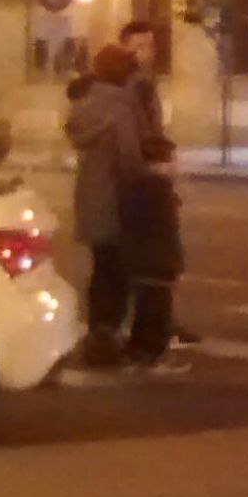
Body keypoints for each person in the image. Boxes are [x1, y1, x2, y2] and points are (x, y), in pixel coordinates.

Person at [119, 20, 201, 348]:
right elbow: (141, 135)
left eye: (150, 46)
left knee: (150, 260)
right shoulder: (133, 86)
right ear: (124, 48)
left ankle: (159, 324)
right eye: (138, 47)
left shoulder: (141, 84)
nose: (146, 53)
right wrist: (159, 165)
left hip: (149, 174)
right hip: (145, 178)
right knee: (153, 261)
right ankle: (149, 332)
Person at [66, 45, 149, 367]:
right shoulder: (121, 107)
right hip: (118, 201)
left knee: (102, 270)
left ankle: (97, 335)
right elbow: (130, 160)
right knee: (119, 274)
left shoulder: (86, 105)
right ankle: (108, 340)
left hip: (92, 198)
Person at [119, 136, 189, 373]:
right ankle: (153, 356)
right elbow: (167, 234)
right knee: (158, 311)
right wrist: (176, 264)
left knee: (145, 308)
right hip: (157, 262)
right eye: (174, 159)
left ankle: (138, 351)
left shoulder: (137, 186)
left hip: (140, 261)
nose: (177, 164)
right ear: (164, 162)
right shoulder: (159, 191)